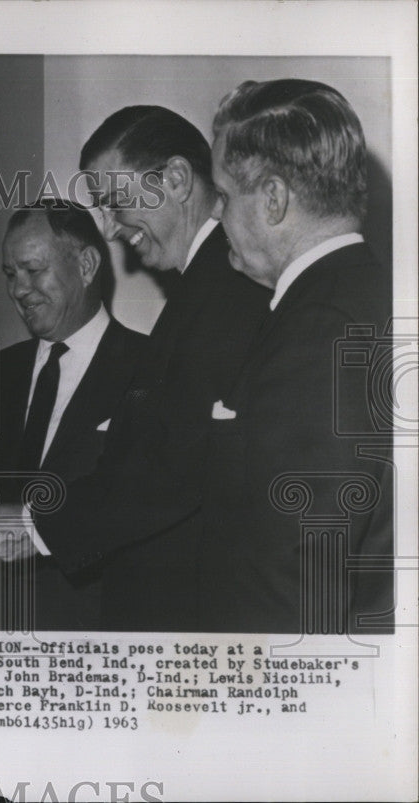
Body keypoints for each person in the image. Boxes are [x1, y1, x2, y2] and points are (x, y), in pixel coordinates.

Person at [0, 106, 271, 630]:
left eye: (114, 203)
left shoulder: (223, 287)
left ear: (175, 180)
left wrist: (37, 526)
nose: (107, 227)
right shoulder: (201, 287)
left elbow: (173, 469)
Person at [193, 78, 393, 631]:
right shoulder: (369, 297)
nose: (216, 217)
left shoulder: (318, 332)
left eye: (226, 196)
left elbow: (295, 574)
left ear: (275, 200)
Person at [0, 200, 147, 630]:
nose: (18, 290)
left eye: (33, 269)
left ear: (88, 265)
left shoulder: (151, 369)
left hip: (100, 637)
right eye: (10, 273)